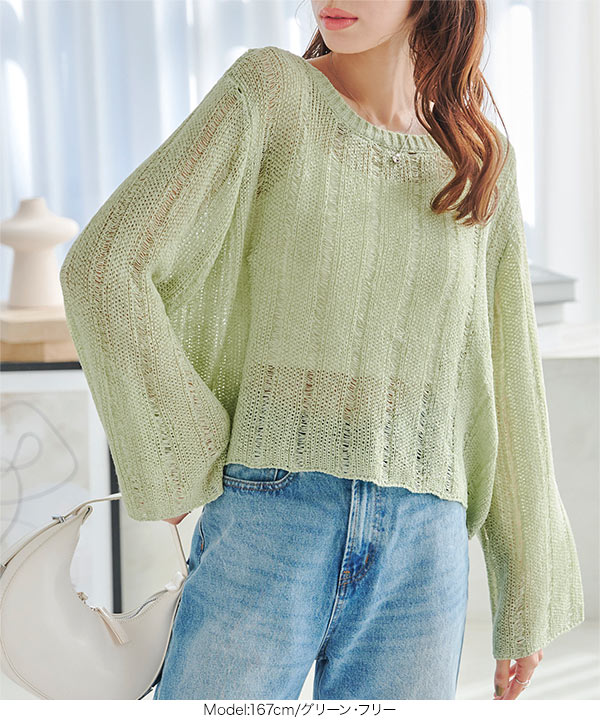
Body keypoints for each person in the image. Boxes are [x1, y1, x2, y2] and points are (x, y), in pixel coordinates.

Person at [59, 0, 585, 702]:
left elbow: (508, 370)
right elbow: (104, 265)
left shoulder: (479, 158)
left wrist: (526, 591)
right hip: (274, 513)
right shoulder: (271, 95)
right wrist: (180, 450)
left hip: (425, 547)